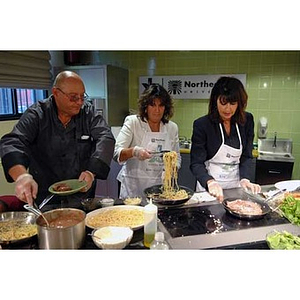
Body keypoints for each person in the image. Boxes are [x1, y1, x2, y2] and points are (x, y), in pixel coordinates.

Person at [0, 70, 115, 207]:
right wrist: (22, 176)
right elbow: (12, 142)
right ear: (56, 93)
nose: (79, 102)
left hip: (82, 195)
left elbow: (106, 137)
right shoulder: (37, 114)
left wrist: (91, 172)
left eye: (82, 96)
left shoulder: (88, 112)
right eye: (73, 97)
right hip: (45, 196)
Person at [190, 76, 261, 202]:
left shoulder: (246, 120)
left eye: (233, 103)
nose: (228, 109)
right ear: (215, 101)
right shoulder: (203, 125)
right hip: (209, 188)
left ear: (239, 103)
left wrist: (245, 178)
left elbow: (246, 156)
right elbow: (196, 163)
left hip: (235, 186)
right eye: (223, 103)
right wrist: (209, 182)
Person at [113, 83, 181, 199]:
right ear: (145, 106)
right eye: (152, 105)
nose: (157, 110)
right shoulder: (133, 122)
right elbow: (116, 154)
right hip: (134, 188)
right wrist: (135, 152)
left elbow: (177, 157)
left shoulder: (171, 128)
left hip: (160, 189)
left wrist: (172, 169)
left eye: (161, 105)